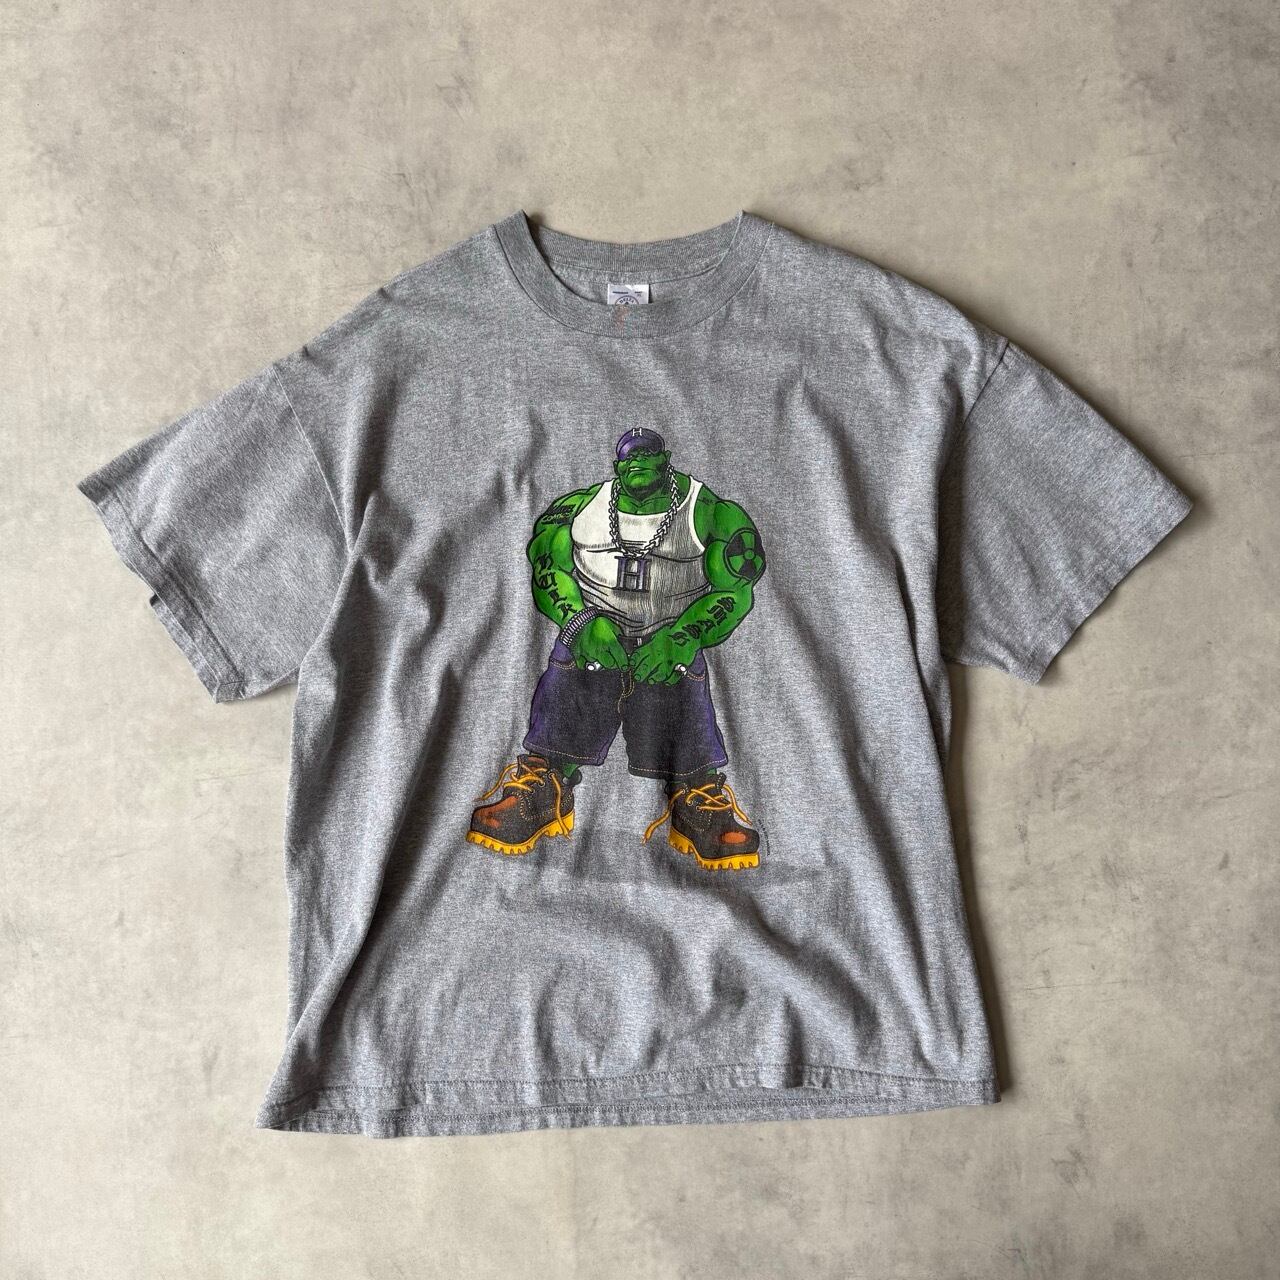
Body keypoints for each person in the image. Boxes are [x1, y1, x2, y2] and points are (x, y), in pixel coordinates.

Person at [467, 427, 767, 871]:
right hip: (595, 639)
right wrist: (580, 622)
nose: (638, 464)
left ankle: (697, 797)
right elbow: (547, 569)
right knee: (569, 680)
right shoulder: (578, 508)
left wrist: (683, 637)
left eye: (648, 456)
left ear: (666, 460)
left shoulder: (709, 512)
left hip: (667, 641)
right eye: (629, 458)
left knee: (682, 698)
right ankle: (544, 786)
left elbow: (736, 589)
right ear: (617, 466)